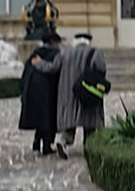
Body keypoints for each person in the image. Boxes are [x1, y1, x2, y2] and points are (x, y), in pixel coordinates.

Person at [32, 32, 106, 160]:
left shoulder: (65, 53)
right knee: (90, 126)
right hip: (88, 93)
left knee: (69, 126)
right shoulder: (95, 53)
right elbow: (102, 69)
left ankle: (64, 142)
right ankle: (89, 148)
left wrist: (39, 63)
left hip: (68, 95)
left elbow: (52, 68)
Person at [18, 31, 61, 156]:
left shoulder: (35, 54)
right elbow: (56, 70)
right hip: (49, 91)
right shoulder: (55, 54)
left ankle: (36, 142)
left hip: (32, 91)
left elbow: (26, 73)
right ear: (53, 42)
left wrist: (23, 90)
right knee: (48, 119)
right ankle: (46, 146)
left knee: (39, 118)